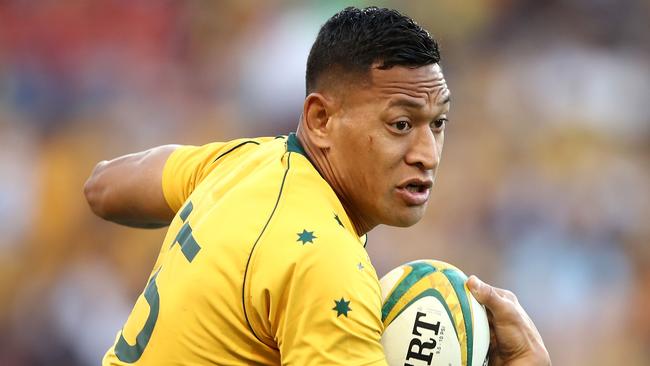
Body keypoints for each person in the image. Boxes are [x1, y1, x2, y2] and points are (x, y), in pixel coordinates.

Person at [84, 6, 550, 366]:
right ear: (321, 119)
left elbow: (102, 187)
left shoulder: (242, 163)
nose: (426, 153)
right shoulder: (325, 264)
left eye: (439, 123)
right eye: (402, 124)